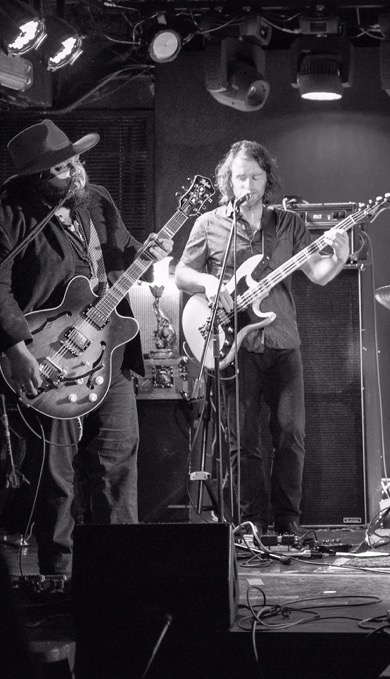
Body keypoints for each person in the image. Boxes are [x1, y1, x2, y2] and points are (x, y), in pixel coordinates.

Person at [0, 119, 170, 576]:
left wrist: (149, 254)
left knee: (117, 457)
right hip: (47, 354)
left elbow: (122, 254)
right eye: (62, 168)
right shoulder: (11, 213)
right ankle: (58, 572)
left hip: (107, 349)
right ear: (38, 177)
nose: (75, 171)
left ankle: (121, 570)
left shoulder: (95, 200)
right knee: (56, 474)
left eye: (76, 161)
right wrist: (17, 349)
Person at [174, 141, 350, 536]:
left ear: (267, 178)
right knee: (242, 439)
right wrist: (207, 282)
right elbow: (182, 274)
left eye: (255, 177)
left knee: (291, 434)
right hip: (232, 343)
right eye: (240, 178)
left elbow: (318, 274)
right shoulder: (209, 224)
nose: (248, 185)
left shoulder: (287, 223)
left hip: (282, 340)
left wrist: (338, 256)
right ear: (229, 181)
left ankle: (288, 522)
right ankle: (251, 522)